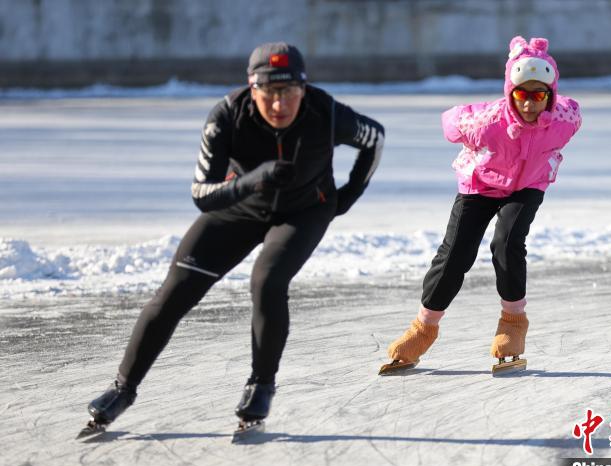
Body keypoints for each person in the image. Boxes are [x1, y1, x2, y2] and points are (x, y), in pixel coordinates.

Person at [83, 42, 384, 433]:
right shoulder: (226, 116)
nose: (280, 105)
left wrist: (346, 197)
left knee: (268, 281)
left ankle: (261, 385)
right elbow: (201, 194)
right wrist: (254, 179)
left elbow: (374, 138)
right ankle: (123, 388)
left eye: (290, 92)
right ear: (252, 89)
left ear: (304, 89)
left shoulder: (325, 112)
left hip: (303, 211)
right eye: (270, 93)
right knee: (175, 291)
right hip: (238, 206)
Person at [381, 36, 581, 374]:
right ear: (510, 91)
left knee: (507, 242)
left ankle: (513, 324)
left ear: (550, 95)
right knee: (455, 253)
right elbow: (450, 122)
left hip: (528, 186)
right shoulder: (486, 122)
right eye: (522, 94)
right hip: (479, 184)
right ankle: (423, 328)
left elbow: (575, 110)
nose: (530, 104)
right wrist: (468, 138)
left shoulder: (564, 120)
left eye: (539, 95)